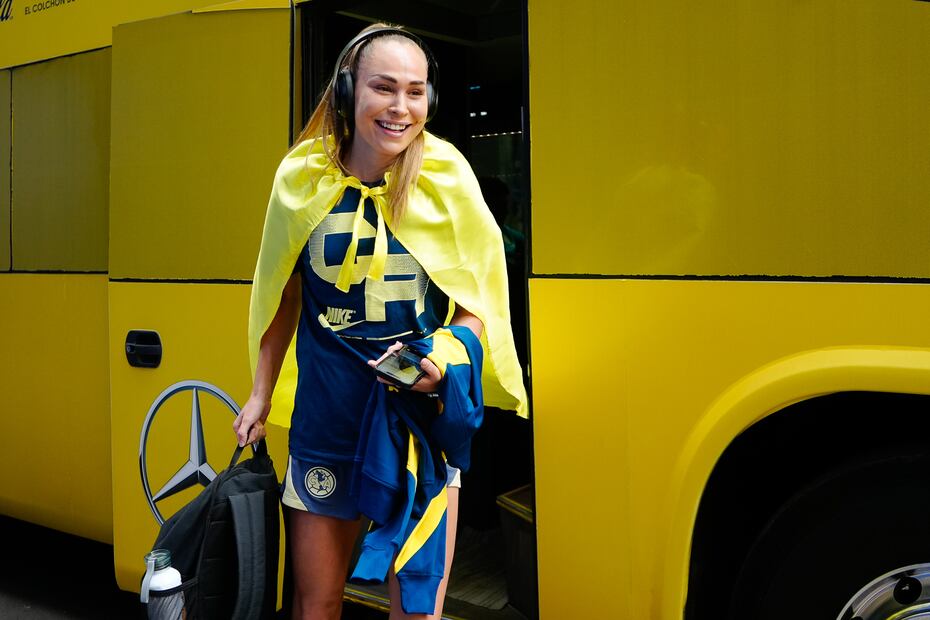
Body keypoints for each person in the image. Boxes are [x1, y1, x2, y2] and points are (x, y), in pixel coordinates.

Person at [233, 23, 527, 620]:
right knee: (315, 605)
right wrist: (261, 392)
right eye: (383, 88)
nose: (400, 107)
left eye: (416, 92)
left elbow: (480, 305)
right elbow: (281, 293)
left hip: (417, 428)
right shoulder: (302, 178)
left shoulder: (446, 177)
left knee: (417, 611)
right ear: (347, 92)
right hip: (326, 425)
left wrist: (443, 355)